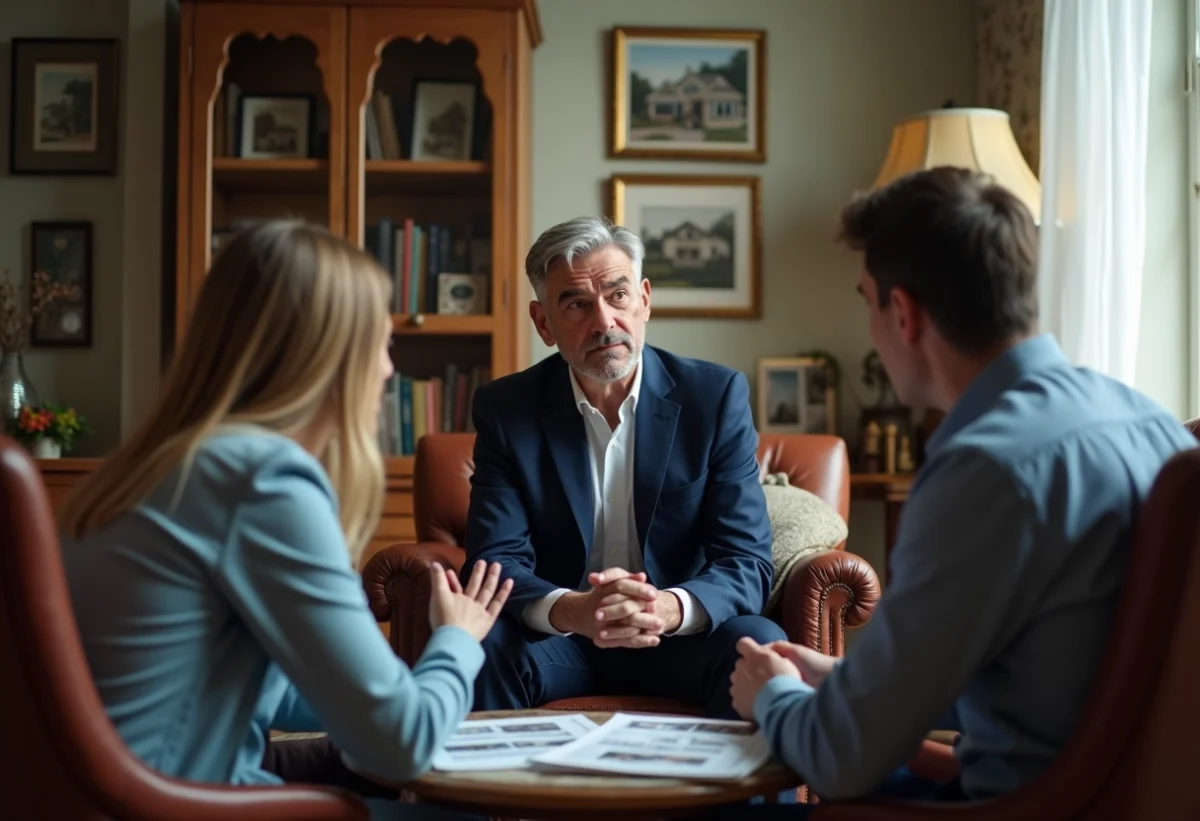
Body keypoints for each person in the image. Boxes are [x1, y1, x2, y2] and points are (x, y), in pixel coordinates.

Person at [715, 167, 1196, 817]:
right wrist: (844, 682)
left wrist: (771, 694)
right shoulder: (1149, 421)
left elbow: (840, 757)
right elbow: (1056, 672)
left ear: (904, 313)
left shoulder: (984, 470)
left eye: (867, 300)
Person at [59, 221, 510, 820]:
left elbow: (243, 682)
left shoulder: (164, 466)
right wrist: (457, 639)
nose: (387, 371)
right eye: (380, 344)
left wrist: (373, 696)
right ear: (329, 357)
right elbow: (403, 745)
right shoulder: (262, 480)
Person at [463, 215, 787, 717]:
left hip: (680, 638)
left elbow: (746, 561)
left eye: (617, 296)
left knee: (759, 644)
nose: (604, 321)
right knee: (482, 651)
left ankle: (744, 801)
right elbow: (495, 561)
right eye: (576, 304)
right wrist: (576, 610)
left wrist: (667, 608)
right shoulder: (507, 410)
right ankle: (496, 797)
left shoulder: (715, 398)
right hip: (563, 640)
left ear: (645, 300)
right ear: (543, 323)